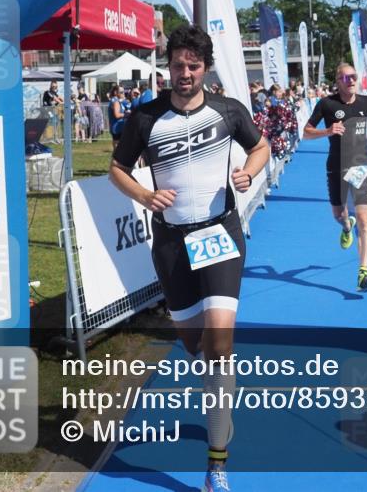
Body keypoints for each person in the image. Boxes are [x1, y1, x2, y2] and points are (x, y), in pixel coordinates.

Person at [109, 25, 270, 492]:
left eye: (193, 66)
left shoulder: (228, 110)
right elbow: (117, 168)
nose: (184, 73)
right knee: (195, 345)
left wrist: (248, 172)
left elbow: (260, 147)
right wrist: (145, 195)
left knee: (219, 343)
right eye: (178, 65)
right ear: (168, 66)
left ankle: (216, 464)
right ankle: (221, 404)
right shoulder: (145, 117)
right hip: (172, 242)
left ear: (206, 69)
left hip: (220, 233)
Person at [303, 62, 367, 292]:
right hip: (336, 167)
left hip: (361, 166)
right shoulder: (327, 104)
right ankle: (347, 226)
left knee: (365, 219)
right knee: (339, 215)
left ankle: (363, 271)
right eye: (346, 77)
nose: (351, 81)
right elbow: (306, 132)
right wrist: (327, 131)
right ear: (338, 81)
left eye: (353, 76)